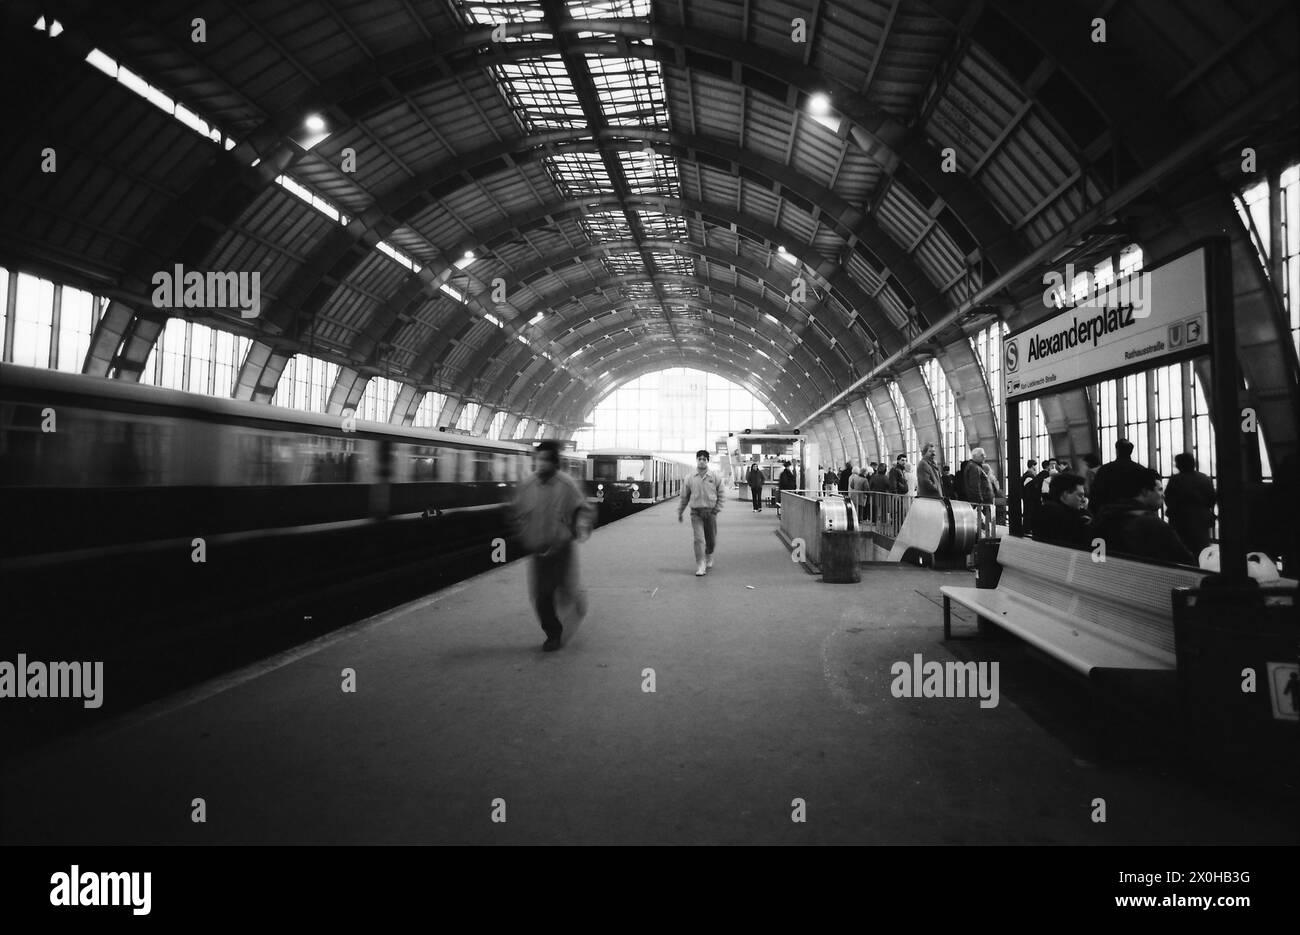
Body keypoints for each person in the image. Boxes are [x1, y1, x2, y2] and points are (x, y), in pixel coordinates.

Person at [510, 439, 595, 652]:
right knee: (541, 595)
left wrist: (582, 528)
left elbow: (583, 509)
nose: (541, 463)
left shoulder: (566, 484)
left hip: (561, 549)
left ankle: (576, 599)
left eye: (546, 459)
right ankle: (553, 634)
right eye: (539, 459)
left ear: (555, 462)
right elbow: (517, 512)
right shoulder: (527, 485)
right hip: (538, 550)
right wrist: (522, 533)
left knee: (564, 590)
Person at [1091, 467, 1195, 565]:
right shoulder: (1153, 524)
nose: (1163, 495)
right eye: (1159, 489)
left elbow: (1097, 557)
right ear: (1145, 491)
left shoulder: (1104, 516)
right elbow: (1186, 560)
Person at [678, 449, 725, 576]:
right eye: (700, 458)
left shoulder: (715, 477)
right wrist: (680, 511)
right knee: (699, 539)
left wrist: (716, 510)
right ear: (697, 460)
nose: (702, 461)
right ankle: (700, 565)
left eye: (704, 459)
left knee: (711, 540)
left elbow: (721, 494)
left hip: (710, 513)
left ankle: (709, 554)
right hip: (696, 513)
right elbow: (684, 496)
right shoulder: (690, 477)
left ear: (707, 461)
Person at [1163, 453, 1216, 555]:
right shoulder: (1204, 478)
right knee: (1201, 551)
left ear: (1179, 465)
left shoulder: (1175, 480)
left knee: (1182, 551)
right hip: (1201, 520)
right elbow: (1212, 499)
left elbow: (1168, 499)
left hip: (1180, 521)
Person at [1033, 471, 1092, 548]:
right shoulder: (1073, 519)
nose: (1083, 500)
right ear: (1065, 494)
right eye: (1080, 495)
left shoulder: (1042, 512)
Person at [1089, 439, 1148, 514]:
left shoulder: (1105, 469)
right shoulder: (1142, 470)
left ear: (1117, 450)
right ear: (1131, 451)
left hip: (1111, 515)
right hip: (1136, 514)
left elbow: (1095, 495)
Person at [963, 447, 997, 533]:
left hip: (982, 503)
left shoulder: (975, 467)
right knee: (984, 529)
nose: (985, 456)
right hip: (981, 504)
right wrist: (979, 502)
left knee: (985, 528)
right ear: (975, 456)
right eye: (982, 455)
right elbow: (975, 486)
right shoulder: (974, 468)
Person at [1019, 459, 1038, 532]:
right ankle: (1027, 528)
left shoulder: (1026, 474)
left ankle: (1027, 527)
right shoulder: (1029, 475)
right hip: (1029, 497)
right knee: (1028, 512)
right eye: (1035, 465)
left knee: (1027, 511)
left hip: (1026, 497)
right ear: (1033, 465)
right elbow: (1028, 486)